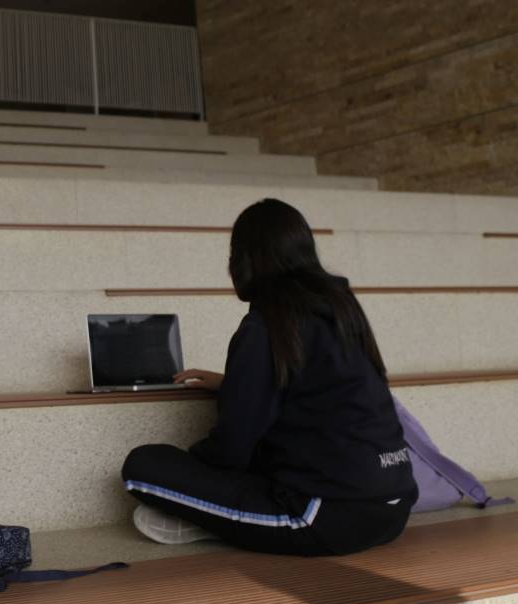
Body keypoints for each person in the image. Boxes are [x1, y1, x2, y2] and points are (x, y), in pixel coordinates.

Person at [121, 198, 417, 556]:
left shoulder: (266, 325)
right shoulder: (341, 307)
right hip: (395, 506)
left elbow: (230, 449)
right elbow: (320, 391)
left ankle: (213, 521)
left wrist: (196, 469)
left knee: (143, 466)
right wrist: (236, 383)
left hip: (323, 518)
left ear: (244, 260)